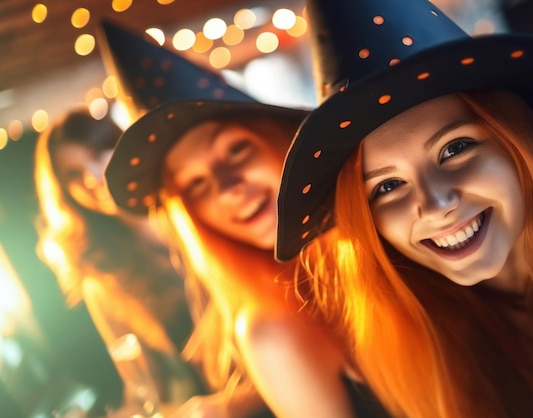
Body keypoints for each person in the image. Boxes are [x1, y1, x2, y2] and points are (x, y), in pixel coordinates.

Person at [275, 0, 533, 417]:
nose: (436, 204)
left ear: (521, 144)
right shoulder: (412, 344)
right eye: (387, 186)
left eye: (455, 148)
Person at [103, 30, 388, 418]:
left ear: (284, 139)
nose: (227, 188)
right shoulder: (271, 331)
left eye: (236, 149)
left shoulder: (400, 219)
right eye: (196, 184)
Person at [33, 108, 204, 414]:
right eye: (74, 174)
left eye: (99, 153)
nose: (92, 177)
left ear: (122, 143)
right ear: (65, 194)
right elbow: (144, 382)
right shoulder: (103, 279)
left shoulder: (195, 206)